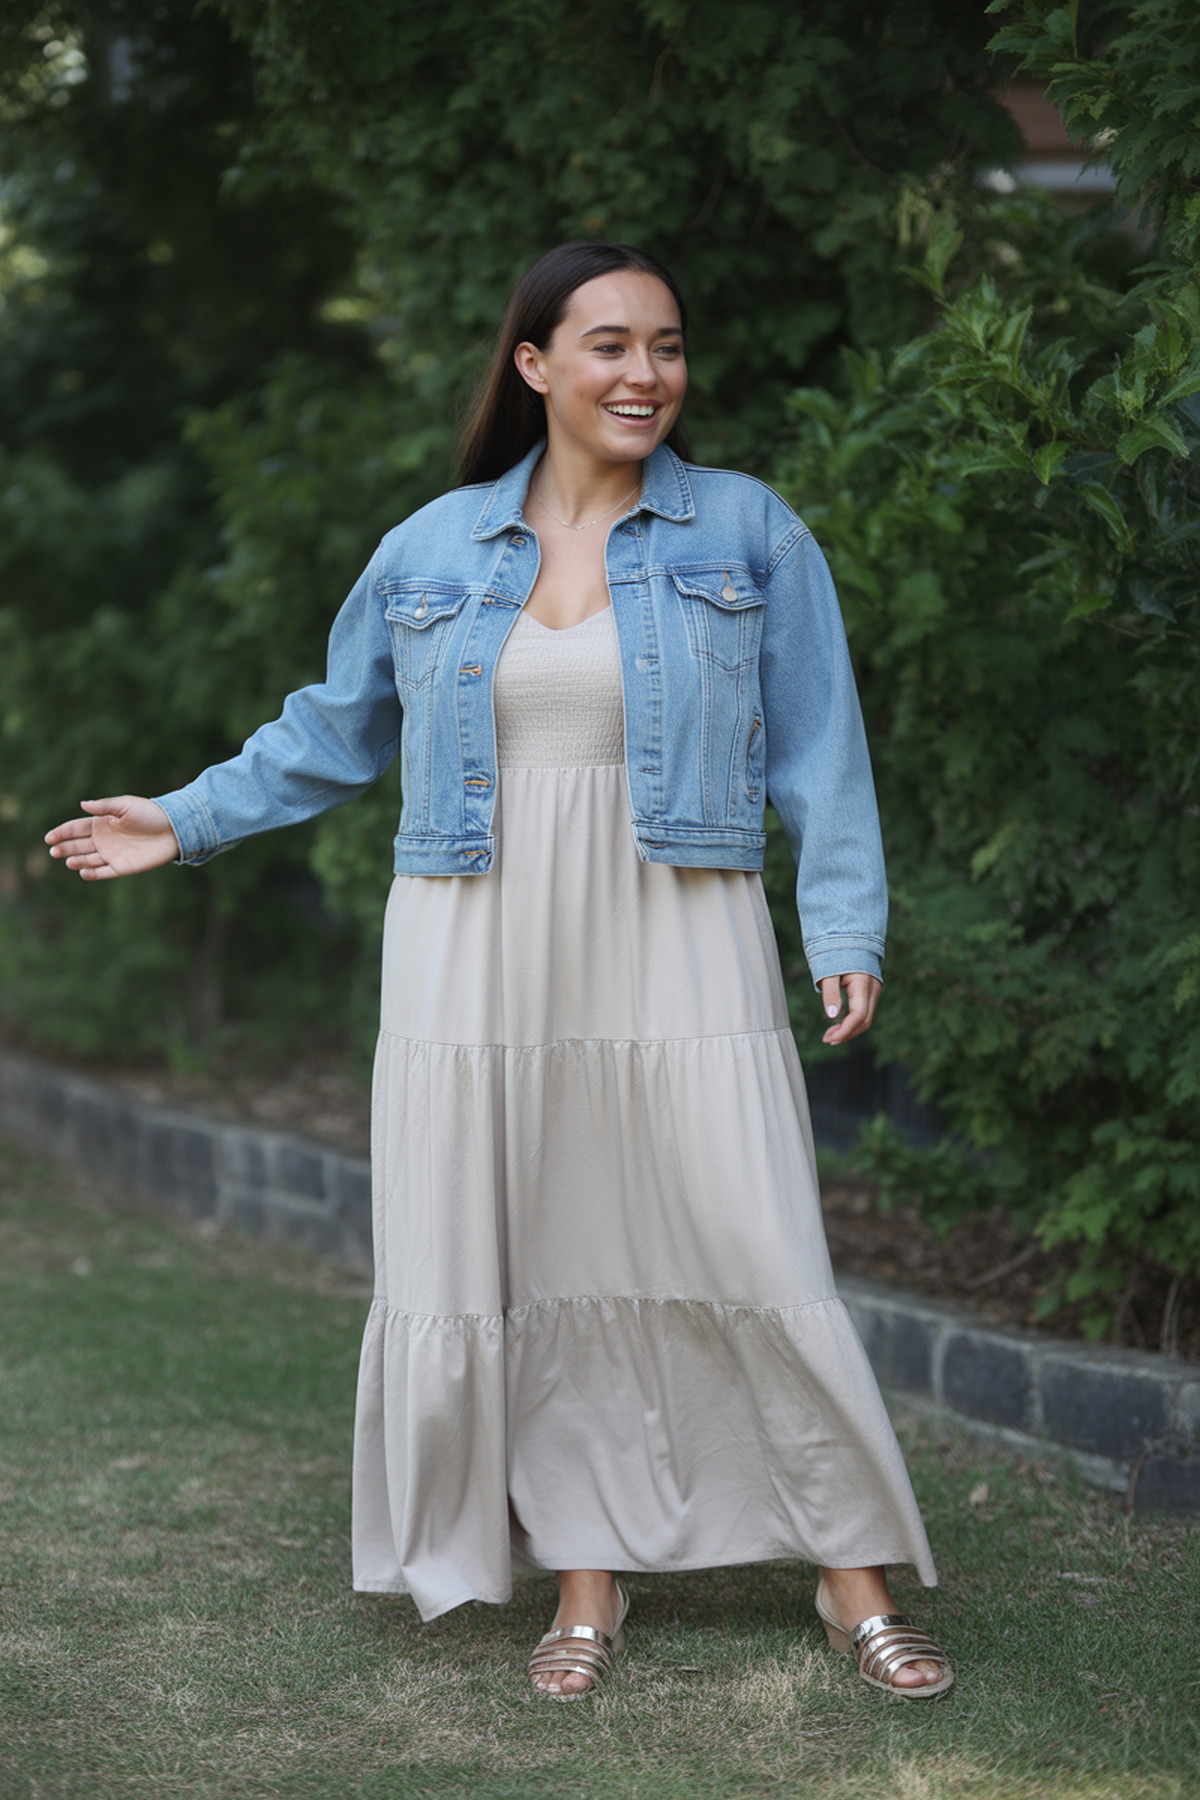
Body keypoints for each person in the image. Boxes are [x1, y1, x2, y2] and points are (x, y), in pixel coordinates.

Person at [46, 241, 953, 1699]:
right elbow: (332, 731)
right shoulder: (433, 548)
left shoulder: (748, 531)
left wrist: (845, 926)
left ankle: (852, 1573)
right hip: (476, 931)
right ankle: (583, 1573)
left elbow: (820, 748)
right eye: (609, 345)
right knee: (540, 1244)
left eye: (666, 345)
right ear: (534, 365)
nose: (645, 373)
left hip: (680, 914)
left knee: (749, 1230)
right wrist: (186, 816)